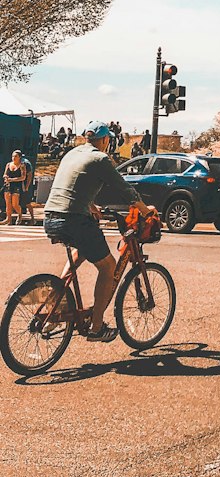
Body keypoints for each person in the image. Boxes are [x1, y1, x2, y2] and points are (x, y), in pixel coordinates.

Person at [43, 123, 155, 342]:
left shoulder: (71, 154)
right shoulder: (101, 158)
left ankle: (51, 310)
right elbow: (123, 188)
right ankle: (96, 328)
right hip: (75, 219)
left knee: (79, 254)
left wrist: (91, 205)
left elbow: (73, 184)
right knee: (108, 267)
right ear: (105, 140)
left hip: (51, 216)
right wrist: (144, 210)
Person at [3, 149, 27, 225]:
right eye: (13, 156)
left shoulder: (22, 166)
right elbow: (5, 174)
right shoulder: (8, 164)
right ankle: (8, 219)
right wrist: (6, 177)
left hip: (17, 185)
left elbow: (23, 177)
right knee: (8, 204)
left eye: (16, 156)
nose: (14, 158)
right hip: (8, 185)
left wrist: (12, 180)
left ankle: (20, 214)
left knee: (15, 204)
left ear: (19, 157)